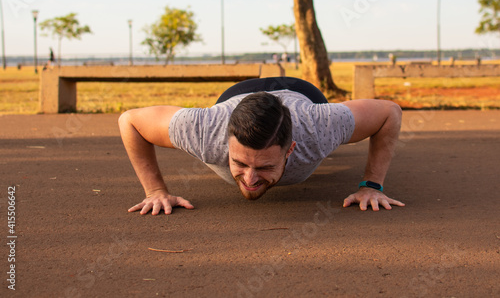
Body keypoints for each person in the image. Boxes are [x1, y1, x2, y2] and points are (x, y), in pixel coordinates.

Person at [118, 77, 405, 216]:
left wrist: (372, 186)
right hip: (236, 96)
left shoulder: (321, 127)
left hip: (300, 91)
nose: (251, 179)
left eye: (266, 166)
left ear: (291, 149)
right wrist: (155, 191)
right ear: (226, 144)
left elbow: (389, 112)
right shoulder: (203, 130)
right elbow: (129, 120)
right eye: (240, 163)